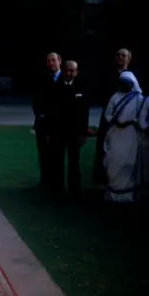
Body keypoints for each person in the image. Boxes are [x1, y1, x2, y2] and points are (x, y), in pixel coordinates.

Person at [45, 60, 89, 196]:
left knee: (74, 162)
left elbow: (84, 113)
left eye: (72, 70)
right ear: (63, 71)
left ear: (77, 72)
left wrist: (83, 133)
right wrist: (48, 132)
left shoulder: (81, 88)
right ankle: (57, 189)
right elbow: (50, 112)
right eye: (67, 70)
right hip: (58, 131)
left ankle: (74, 190)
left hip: (75, 133)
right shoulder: (55, 88)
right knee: (57, 161)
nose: (70, 73)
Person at [103, 71, 144, 203]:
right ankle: (113, 193)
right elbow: (107, 115)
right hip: (115, 133)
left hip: (131, 134)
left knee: (129, 162)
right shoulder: (115, 97)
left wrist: (130, 121)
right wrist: (117, 121)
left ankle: (127, 195)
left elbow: (141, 117)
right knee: (113, 161)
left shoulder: (138, 99)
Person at [93, 48, 133, 185]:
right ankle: (101, 176)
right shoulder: (107, 76)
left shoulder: (134, 76)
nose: (120, 58)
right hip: (109, 117)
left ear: (129, 59)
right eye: (118, 55)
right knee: (104, 146)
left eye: (123, 55)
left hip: (128, 120)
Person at [33, 52, 62, 189]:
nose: (51, 63)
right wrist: (40, 115)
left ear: (59, 61)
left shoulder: (66, 78)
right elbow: (36, 100)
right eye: (48, 61)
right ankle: (45, 181)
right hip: (44, 123)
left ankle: (57, 182)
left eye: (53, 60)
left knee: (58, 154)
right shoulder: (41, 80)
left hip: (59, 124)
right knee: (43, 153)